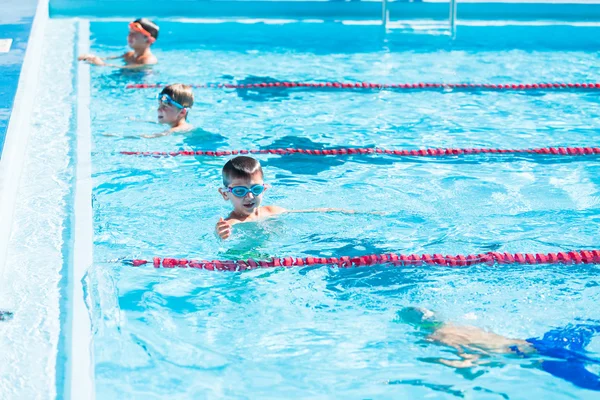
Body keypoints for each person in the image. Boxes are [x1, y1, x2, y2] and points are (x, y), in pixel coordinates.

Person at [399, 307, 600, 391]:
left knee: (590, 383)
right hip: (536, 343)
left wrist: (466, 365)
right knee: (584, 326)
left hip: (539, 357)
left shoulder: (438, 337)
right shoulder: (458, 324)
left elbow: (466, 355)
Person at [215, 156, 362, 240]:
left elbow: (308, 212)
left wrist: (336, 211)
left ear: (264, 189)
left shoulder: (272, 211)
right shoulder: (231, 224)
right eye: (240, 191)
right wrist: (220, 235)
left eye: (256, 189)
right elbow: (220, 240)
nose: (250, 196)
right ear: (225, 194)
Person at [78, 18, 158, 69]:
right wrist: (91, 58)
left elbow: (128, 68)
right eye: (130, 33)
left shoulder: (148, 60)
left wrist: (102, 65)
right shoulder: (129, 55)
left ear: (149, 40)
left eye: (135, 34)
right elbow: (105, 59)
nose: (130, 36)